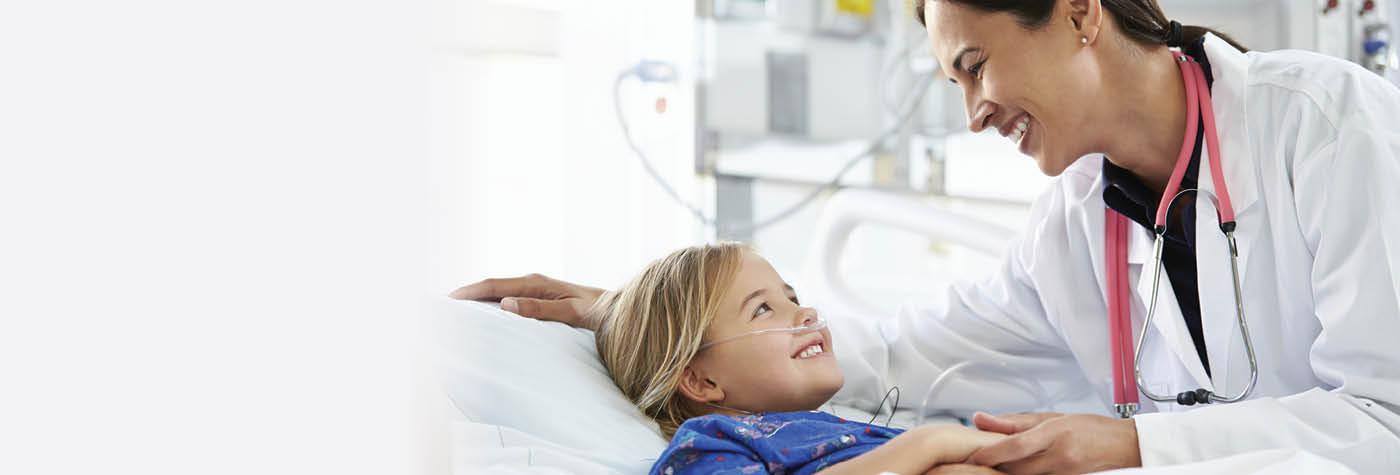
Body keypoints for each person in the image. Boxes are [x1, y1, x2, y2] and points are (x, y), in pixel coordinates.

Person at [453, 0, 1400, 473]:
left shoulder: (1327, 127)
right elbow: (912, 355)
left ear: (1078, 13)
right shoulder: (1076, 224)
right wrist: (638, 317)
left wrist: (1131, 444)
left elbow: (1387, 419)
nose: (973, 112)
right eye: (954, 83)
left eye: (976, 66)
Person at [586, 242, 1005, 474]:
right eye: (762, 309)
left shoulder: (832, 432)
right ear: (700, 381)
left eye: (793, 297)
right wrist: (929, 443)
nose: (804, 313)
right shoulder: (710, 445)